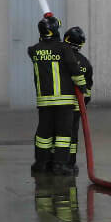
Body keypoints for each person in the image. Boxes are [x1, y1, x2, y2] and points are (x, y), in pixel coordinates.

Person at [28, 13, 79, 176]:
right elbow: (74, 69)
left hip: (44, 102)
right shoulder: (64, 48)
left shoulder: (34, 50)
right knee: (63, 134)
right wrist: (83, 87)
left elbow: (43, 49)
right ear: (55, 30)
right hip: (64, 102)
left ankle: (41, 163)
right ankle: (60, 165)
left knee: (44, 134)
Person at [62, 26, 96, 174]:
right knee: (72, 137)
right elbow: (87, 90)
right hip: (76, 107)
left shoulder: (59, 58)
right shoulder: (85, 62)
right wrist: (83, 105)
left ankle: (56, 163)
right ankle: (70, 163)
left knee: (57, 135)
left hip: (59, 106)